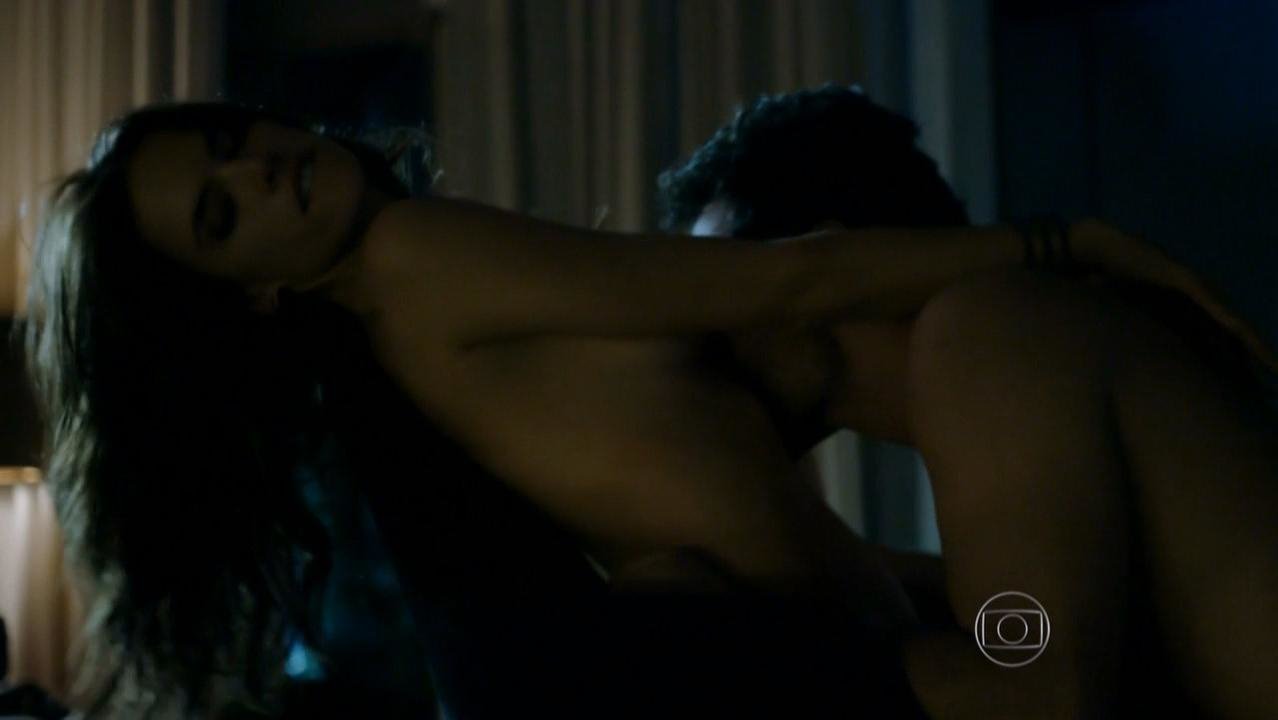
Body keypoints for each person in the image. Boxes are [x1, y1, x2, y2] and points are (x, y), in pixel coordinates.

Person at [22, 97, 1272, 719]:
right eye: (223, 212)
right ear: (248, 294)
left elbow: (1021, 649)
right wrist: (1071, 240)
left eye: (230, 140)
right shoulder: (410, 265)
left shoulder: (412, 354)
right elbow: (791, 279)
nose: (261, 167)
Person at [658, 84, 1278, 718]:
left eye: (720, 296)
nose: (689, 346)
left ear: (824, 262)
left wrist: (716, 647)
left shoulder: (992, 325)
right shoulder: (1027, 333)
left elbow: (1033, 688)